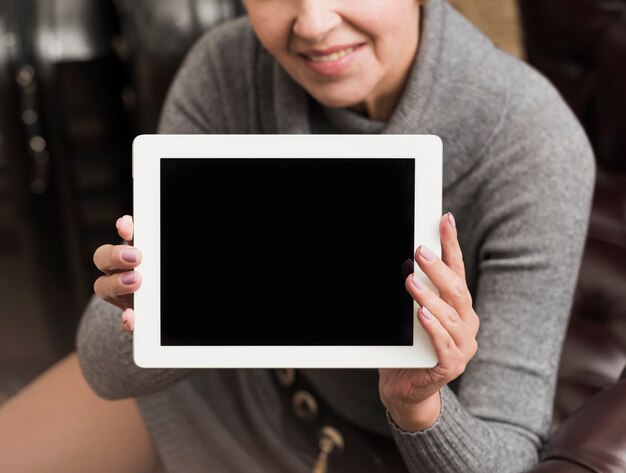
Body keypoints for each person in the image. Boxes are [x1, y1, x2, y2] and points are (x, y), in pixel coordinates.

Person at [0, 0, 595, 472]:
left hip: (389, 448)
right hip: (232, 386)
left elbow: (509, 458)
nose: (312, 24)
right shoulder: (227, 69)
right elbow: (104, 369)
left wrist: (419, 408)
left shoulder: (535, 145)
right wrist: (150, 306)